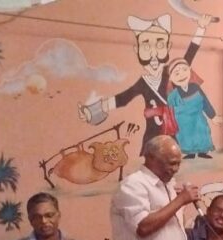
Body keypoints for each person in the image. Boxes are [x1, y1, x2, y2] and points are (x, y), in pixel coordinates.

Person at [79, 13, 212, 157]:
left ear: (168, 47)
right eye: (146, 47)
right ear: (137, 50)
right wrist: (92, 111)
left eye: (160, 46)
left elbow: (189, 55)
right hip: (153, 136)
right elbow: (123, 99)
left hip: (175, 133)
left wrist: (201, 28)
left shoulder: (171, 73)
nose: (153, 55)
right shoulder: (143, 82)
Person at [167, 58, 217, 159]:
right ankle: (190, 153)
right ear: (171, 78)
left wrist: (213, 116)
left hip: (198, 119)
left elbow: (205, 102)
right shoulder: (173, 95)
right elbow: (170, 112)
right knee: (186, 136)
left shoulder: (195, 87)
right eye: (177, 73)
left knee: (202, 132)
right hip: (183, 123)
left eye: (184, 70)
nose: (181, 75)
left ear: (190, 70)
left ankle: (203, 151)